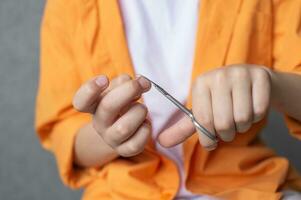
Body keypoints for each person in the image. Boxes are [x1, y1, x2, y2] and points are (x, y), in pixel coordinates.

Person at [35, 0, 301, 199]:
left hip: (252, 187)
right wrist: (109, 134)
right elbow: (63, 133)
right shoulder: (69, 7)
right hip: (123, 192)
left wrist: (271, 83)